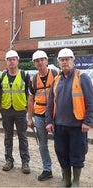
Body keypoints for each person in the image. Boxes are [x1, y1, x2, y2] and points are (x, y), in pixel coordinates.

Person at [45, 48, 93, 187]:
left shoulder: (82, 77)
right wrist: (48, 121)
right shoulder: (56, 79)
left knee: (77, 154)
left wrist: (87, 121)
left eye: (67, 59)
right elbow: (50, 103)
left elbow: (90, 101)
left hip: (77, 126)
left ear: (73, 60)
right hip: (59, 125)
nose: (65, 62)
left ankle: (76, 181)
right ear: (58, 62)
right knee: (61, 152)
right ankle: (66, 179)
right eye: (62, 59)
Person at [0, 50, 31, 174]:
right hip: (6, 111)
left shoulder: (25, 75)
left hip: (20, 111)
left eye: (13, 59)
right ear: (6, 62)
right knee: (8, 137)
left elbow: (29, 95)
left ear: (17, 61)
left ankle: (25, 162)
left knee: (23, 137)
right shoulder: (2, 76)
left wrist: (28, 109)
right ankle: (9, 160)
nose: (11, 62)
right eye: (9, 60)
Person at [27, 50, 58, 181]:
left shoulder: (57, 75)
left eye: (42, 60)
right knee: (42, 144)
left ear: (46, 61)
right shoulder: (33, 80)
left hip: (56, 115)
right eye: (37, 61)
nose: (40, 62)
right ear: (34, 63)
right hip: (39, 115)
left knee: (60, 144)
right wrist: (29, 118)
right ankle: (47, 169)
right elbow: (30, 99)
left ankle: (65, 171)